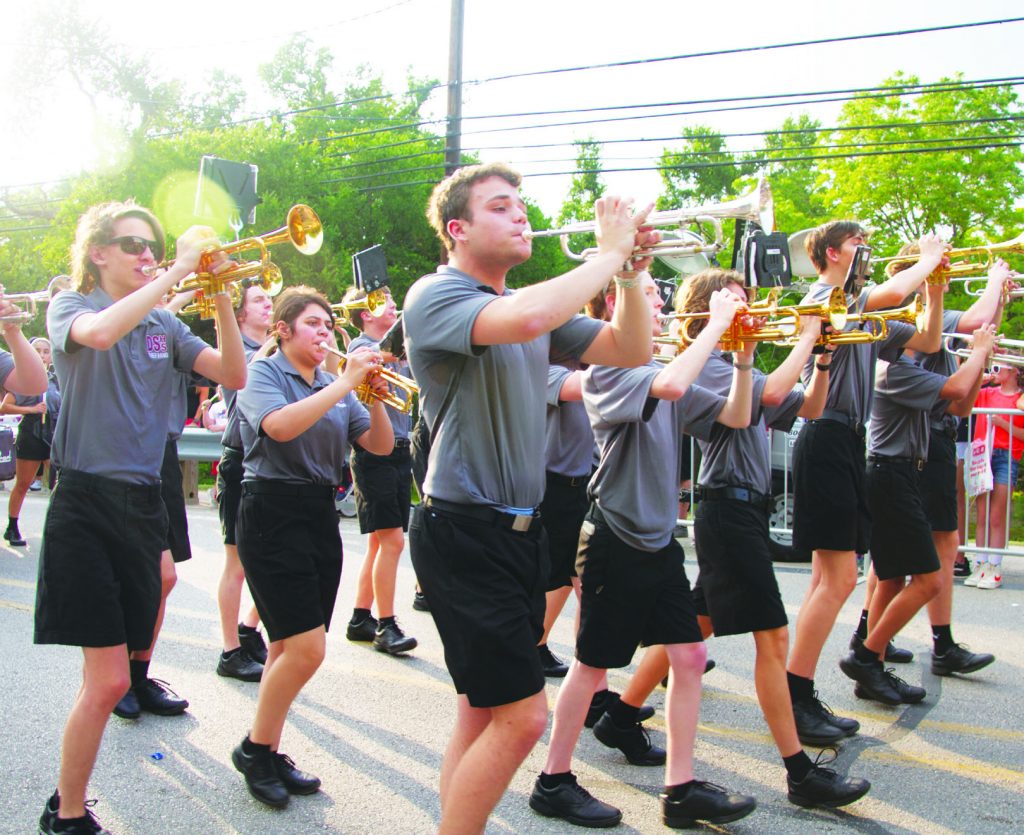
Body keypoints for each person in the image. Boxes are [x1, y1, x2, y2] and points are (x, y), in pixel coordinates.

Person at [404, 161, 656, 834]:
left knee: (480, 712)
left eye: (521, 205)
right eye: (500, 206)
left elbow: (632, 347)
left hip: (520, 529)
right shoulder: (437, 294)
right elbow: (531, 313)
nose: (522, 215)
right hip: (462, 528)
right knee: (523, 718)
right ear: (457, 229)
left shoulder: (532, 311)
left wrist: (629, 272)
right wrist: (608, 251)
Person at [35, 200, 246, 834]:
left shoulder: (164, 327)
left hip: (141, 499)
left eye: (152, 246)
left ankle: (67, 805)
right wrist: (177, 269)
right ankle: (65, 811)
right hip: (84, 499)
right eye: (131, 244)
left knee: (117, 665)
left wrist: (223, 298)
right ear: (96, 252)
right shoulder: (73, 308)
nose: (146, 254)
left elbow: (233, 372)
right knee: (102, 684)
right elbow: (99, 335)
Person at [532, 270, 759, 829]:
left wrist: (746, 357)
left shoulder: (661, 366)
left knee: (689, 657)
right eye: (651, 294)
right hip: (615, 536)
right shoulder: (608, 368)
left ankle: (680, 791)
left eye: (659, 294)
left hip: (658, 541)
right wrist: (718, 324)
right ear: (618, 303)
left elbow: (734, 416)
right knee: (590, 667)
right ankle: (552, 781)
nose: (659, 302)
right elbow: (677, 388)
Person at [677, 269, 869, 808]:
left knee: (694, 629)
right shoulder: (713, 365)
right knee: (773, 641)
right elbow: (779, 389)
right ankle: (799, 774)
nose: (750, 311)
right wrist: (807, 334)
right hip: (727, 510)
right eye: (735, 304)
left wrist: (824, 355)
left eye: (746, 302)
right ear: (705, 313)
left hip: (745, 510)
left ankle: (620, 715)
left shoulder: (744, 365)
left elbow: (806, 406)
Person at [231, 286, 394, 809]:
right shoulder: (263, 373)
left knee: (285, 648)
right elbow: (278, 427)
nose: (326, 333)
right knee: (306, 649)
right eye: (313, 324)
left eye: (329, 325)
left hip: (320, 513)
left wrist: (372, 395)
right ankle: (255, 750)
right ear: (283, 329)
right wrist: (345, 382)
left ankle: (270, 747)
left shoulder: (336, 384)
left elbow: (381, 446)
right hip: (270, 512)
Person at [786, 222, 945, 747]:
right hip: (825, 436)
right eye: (857, 243)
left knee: (825, 581)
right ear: (832, 253)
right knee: (838, 580)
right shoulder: (827, 295)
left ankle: (798, 691)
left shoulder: (861, 305)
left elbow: (926, 338)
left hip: (844, 441)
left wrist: (937, 285)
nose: (866, 250)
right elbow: (897, 291)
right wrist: (927, 255)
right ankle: (796, 696)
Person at [841, 324, 995, 704]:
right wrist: (977, 352)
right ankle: (865, 656)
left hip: (900, 473)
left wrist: (978, 361)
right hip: (890, 474)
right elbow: (956, 389)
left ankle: (870, 667)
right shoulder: (893, 369)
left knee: (892, 579)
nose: (924, 334)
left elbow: (961, 406)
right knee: (929, 581)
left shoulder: (908, 369)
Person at [343, 285, 419, 655]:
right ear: (366, 312)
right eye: (386, 302)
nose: (394, 306)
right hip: (375, 452)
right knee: (392, 541)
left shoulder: (395, 349)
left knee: (379, 540)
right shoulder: (362, 349)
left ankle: (361, 617)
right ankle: (386, 624)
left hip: (400, 448)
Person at [215, 285, 275, 682]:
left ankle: (249, 628)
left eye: (270, 299)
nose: (268, 303)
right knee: (236, 563)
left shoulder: (275, 350)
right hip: (240, 461)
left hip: (271, 466)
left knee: (268, 559)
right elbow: (240, 401)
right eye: (258, 300)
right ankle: (229, 651)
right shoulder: (238, 352)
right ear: (239, 315)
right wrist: (273, 349)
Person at [966, 360, 1024, 589]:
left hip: (1006, 455)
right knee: (982, 513)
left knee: (998, 515)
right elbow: (965, 394)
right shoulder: (987, 393)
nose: (995, 372)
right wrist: (983, 377)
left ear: (1013, 371)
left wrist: (1002, 423)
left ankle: (994, 566)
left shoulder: (1018, 399)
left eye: (999, 368)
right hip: (983, 454)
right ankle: (979, 562)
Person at [3, 336, 60, 546]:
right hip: (32, 433)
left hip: (54, 434)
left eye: (46, 351)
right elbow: (4, 406)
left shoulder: (56, 379)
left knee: (59, 485)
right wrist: (31, 409)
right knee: (24, 483)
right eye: (37, 350)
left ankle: (56, 529)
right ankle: (12, 526)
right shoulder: (23, 380)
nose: (43, 355)